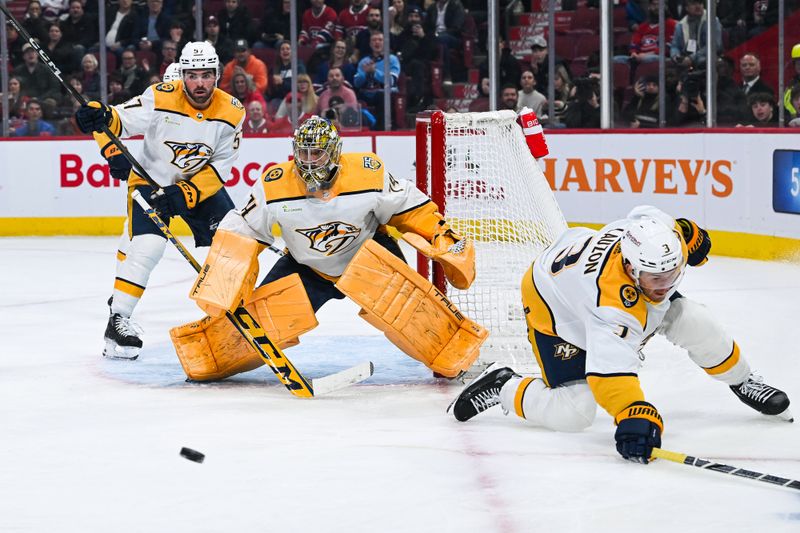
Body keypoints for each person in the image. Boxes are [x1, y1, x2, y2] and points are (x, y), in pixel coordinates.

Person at [450, 205, 792, 464]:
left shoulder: (656, 241)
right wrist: (633, 412)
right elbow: (610, 373)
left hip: (577, 266)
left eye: (673, 274)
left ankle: (744, 380)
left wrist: (691, 233)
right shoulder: (612, 306)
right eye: (656, 279)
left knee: (694, 318)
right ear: (630, 268)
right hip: (552, 305)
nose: (666, 286)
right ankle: (505, 385)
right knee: (574, 413)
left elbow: (652, 216)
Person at [172, 116, 486, 383]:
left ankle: (456, 352)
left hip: (367, 257)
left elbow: (411, 209)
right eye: (303, 154)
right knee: (251, 332)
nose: (308, 163)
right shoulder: (274, 184)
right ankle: (206, 355)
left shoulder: (368, 172)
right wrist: (224, 279)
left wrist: (442, 238)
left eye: (317, 154)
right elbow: (245, 230)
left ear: (334, 153)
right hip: (306, 267)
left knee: (417, 321)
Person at [73, 41, 245, 360]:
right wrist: (101, 119)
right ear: (182, 77)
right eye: (192, 75)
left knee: (233, 239)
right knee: (147, 246)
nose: (199, 83)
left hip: (198, 186)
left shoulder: (232, 111)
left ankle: (236, 308)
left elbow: (221, 166)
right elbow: (120, 120)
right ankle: (118, 318)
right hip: (152, 181)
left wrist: (186, 194)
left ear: (217, 75)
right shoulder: (162, 96)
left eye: (206, 75)